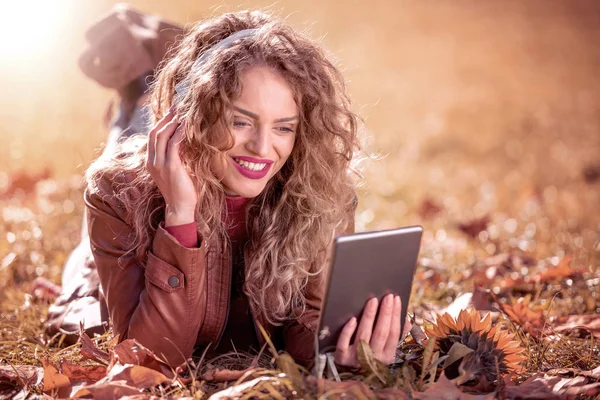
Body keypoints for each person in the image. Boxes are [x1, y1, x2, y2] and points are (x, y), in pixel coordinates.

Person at [53, 9, 405, 371]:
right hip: (149, 179)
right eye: (240, 121)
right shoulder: (117, 192)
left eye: (284, 128)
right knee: (128, 138)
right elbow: (146, 361)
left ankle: (159, 68)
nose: (262, 148)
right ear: (193, 116)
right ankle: (138, 89)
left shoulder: (320, 192)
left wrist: (342, 352)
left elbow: (307, 317)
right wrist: (178, 215)